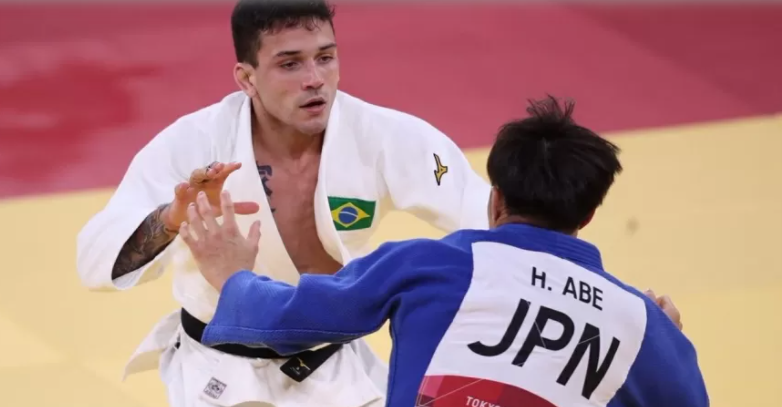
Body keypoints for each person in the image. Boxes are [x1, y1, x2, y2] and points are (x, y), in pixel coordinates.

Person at [76, 1, 491, 406]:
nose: (315, 79)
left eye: (325, 58)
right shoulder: (195, 142)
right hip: (219, 371)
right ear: (247, 78)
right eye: (290, 64)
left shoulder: (383, 136)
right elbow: (94, 260)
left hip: (333, 369)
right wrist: (170, 220)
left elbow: (489, 215)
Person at [180, 96, 708, 407]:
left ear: (495, 199)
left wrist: (233, 279)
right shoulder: (640, 323)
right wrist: (661, 341)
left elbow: (291, 320)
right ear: (588, 216)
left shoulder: (431, 264)